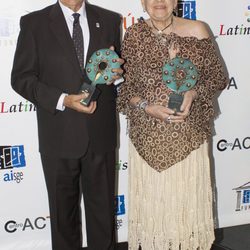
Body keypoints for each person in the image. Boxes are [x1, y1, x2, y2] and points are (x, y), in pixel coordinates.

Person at [11, 0, 123, 249]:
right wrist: (63, 100)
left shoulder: (109, 20)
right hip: (58, 135)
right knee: (63, 219)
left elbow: (115, 71)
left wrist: (116, 77)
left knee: (103, 217)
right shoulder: (34, 23)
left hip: (99, 134)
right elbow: (21, 78)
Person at [117, 0, 228, 249]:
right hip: (147, 139)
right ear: (142, 2)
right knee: (154, 208)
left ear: (176, 1)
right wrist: (146, 107)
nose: (159, 2)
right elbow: (125, 89)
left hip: (188, 139)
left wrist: (194, 93)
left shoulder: (198, 29)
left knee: (185, 207)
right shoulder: (134, 34)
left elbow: (218, 78)